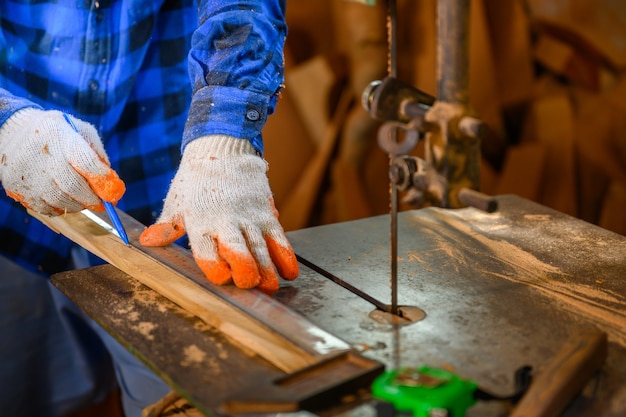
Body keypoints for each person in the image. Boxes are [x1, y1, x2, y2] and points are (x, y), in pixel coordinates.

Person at [0, 0, 299, 416]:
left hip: (161, 187)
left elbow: (243, 9)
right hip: (12, 195)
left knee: (186, 394)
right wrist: (6, 123)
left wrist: (223, 139)